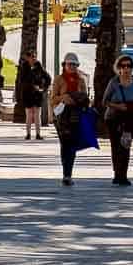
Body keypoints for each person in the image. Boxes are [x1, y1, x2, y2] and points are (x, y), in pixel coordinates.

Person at [101, 53, 133, 185]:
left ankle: (123, 175)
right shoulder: (113, 83)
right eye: (123, 66)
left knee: (126, 145)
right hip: (113, 117)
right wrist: (117, 106)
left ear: (132, 68)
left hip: (129, 119)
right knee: (116, 146)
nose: (126, 68)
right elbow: (105, 101)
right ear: (118, 68)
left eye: (129, 66)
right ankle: (117, 174)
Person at [49, 53, 91, 184]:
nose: (72, 67)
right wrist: (64, 98)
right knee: (65, 143)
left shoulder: (81, 80)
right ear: (64, 65)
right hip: (61, 117)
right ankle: (66, 171)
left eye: (75, 64)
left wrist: (80, 100)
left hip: (76, 116)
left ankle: (68, 174)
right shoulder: (59, 80)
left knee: (72, 144)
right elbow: (52, 99)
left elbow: (85, 98)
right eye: (70, 64)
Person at [15, 47, 50, 140]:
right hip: (28, 94)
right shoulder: (24, 67)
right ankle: (28, 134)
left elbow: (47, 77)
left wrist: (43, 88)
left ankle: (38, 134)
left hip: (37, 94)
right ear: (28, 58)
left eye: (35, 56)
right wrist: (31, 85)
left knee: (37, 114)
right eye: (32, 56)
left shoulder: (39, 66)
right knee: (29, 114)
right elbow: (21, 81)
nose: (34, 58)